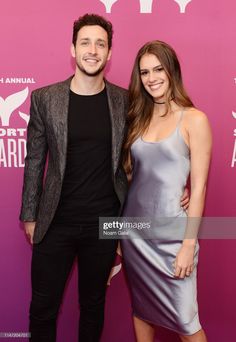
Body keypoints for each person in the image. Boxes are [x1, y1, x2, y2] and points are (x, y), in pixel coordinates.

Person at [19, 13, 129, 342]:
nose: (92, 50)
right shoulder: (44, 99)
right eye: (85, 42)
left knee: (93, 306)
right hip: (55, 222)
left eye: (100, 43)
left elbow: (144, 152)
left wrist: (179, 180)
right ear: (73, 49)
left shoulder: (125, 101)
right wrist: (29, 214)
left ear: (109, 53)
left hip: (105, 224)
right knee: (43, 308)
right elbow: (35, 159)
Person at [121, 40, 212, 342]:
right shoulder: (137, 118)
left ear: (172, 70)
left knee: (187, 324)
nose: (152, 78)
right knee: (142, 311)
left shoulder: (194, 119)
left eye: (158, 69)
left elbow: (198, 189)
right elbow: (132, 177)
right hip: (135, 234)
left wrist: (188, 244)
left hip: (174, 239)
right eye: (145, 72)